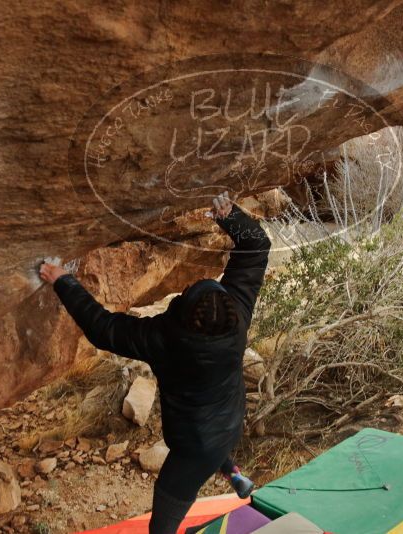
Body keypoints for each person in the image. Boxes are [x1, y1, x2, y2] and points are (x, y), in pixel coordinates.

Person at [39, 191, 271, 533]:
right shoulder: (237, 316)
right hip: (230, 420)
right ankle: (235, 475)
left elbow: (103, 329)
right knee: (215, 442)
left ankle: (219, 482)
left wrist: (63, 281)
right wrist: (230, 216)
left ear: (183, 309)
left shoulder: (165, 339)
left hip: (193, 446)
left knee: (163, 520)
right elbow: (256, 249)